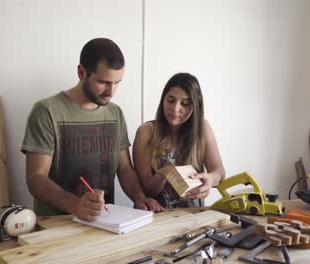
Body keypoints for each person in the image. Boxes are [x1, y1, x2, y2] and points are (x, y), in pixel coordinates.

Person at [21, 38, 163, 221]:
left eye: (117, 82)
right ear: (82, 72)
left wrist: (139, 197)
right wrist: (75, 205)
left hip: (103, 223)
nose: (111, 92)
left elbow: (125, 168)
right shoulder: (46, 111)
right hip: (57, 227)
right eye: (103, 82)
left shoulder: (115, 113)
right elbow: (36, 178)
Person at [133, 73, 225, 209]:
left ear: (195, 106)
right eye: (170, 100)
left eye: (185, 103)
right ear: (163, 100)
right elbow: (147, 190)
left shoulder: (202, 128)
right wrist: (165, 172)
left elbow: (220, 173)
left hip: (192, 216)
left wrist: (210, 179)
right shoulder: (146, 131)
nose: (176, 108)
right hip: (156, 216)